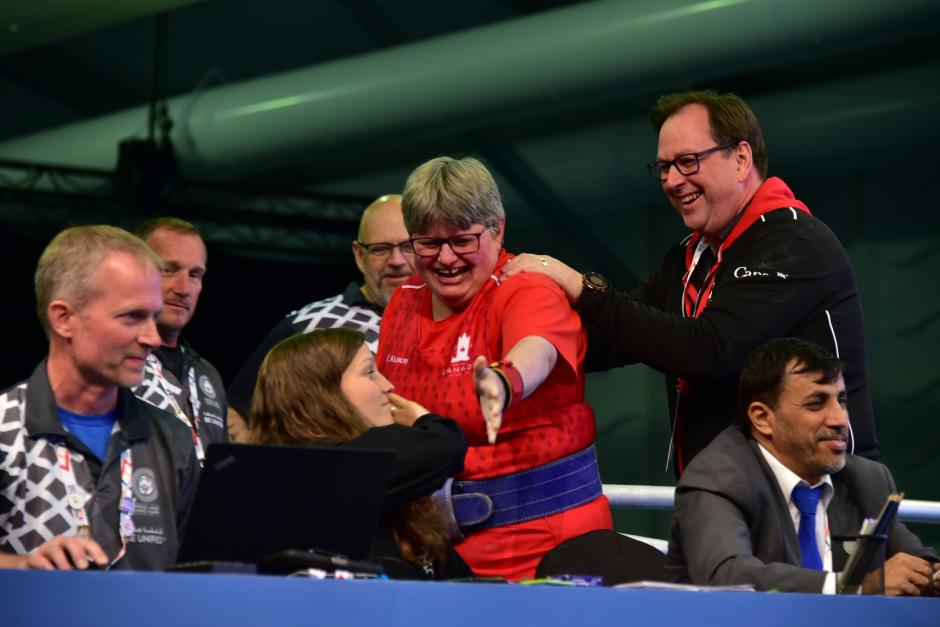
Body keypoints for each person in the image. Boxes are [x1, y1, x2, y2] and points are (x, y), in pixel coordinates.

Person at [503, 89, 878, 474]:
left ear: (741, 158)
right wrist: (517, 316)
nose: (672, 181)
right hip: (728, 498)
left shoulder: (794, 241)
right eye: (663, 167)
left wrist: (584, 287)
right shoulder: (690, 257)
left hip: (821, 500)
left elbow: (709, 350)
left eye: (687, 162)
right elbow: (606, 340)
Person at [377, 156, 611, 580]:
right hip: (433, 550)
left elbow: (536, 350)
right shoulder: (403, 300)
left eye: (463, 241)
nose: (446, 259)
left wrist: (504, 382)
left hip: (542, 546)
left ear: (498, 228)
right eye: (427, 243)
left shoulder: (526, 287)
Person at [666, 338, 938, 595]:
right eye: (816, 403)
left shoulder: (866, 479)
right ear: (762, 418)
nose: (839, 420)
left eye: (841, 400)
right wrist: (853, 586)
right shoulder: (718, 475)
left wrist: (933, 575)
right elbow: (727, 577)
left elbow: (915, 560)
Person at [0, 226, 197, 571]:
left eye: (153, 316)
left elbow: (200, 573)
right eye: (132, 317)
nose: (152, 337)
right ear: (64, 318)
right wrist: (21, 568)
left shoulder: (173, 439)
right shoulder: (5, 427)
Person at [247, 328, 471, 579]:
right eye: (369, 372)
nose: (388, 385)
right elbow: (443, 446)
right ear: (322, 393)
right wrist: (423, 418)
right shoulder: (308, 471)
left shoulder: (395, 497)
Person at [226, 194, 413, 441]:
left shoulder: (451, 320)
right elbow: (237, 412)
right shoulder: (309, 323)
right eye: (380, 249)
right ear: (359, 255)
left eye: (408, 247)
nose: (396, 261)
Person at [132, 218, 227, 465]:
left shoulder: (208, 375)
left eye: (195, 275)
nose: (184, 288)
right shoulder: (116, 363)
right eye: (169, 269)